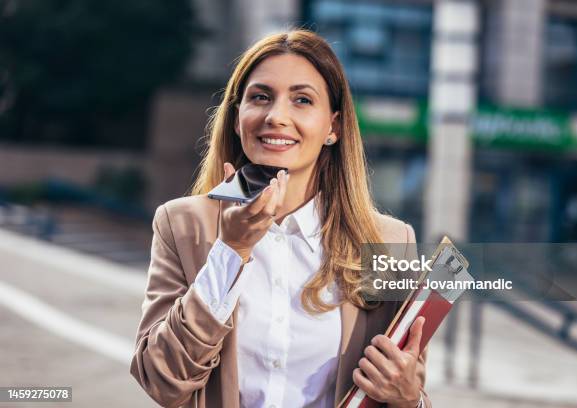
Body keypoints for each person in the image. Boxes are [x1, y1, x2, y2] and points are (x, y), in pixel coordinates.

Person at [130, 29, 431, 408]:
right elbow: (161, 381)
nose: (276, 116)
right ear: (238, 118)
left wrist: (410, 399)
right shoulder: (181, 224)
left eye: (302, 100)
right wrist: (230, 251)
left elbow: (403, 384)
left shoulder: (388, 242)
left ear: (333, 127)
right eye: (260, 97)